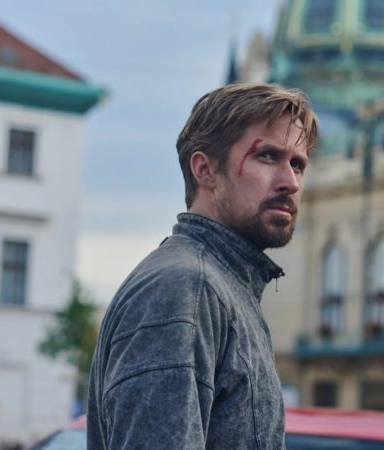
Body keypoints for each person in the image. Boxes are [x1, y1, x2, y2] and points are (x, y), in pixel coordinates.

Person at [87, 83, 319, 449]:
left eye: (297, 164)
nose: (290, 182)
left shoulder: (221, 287)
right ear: (205, 169)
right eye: (267, 157)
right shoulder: (186, 290)